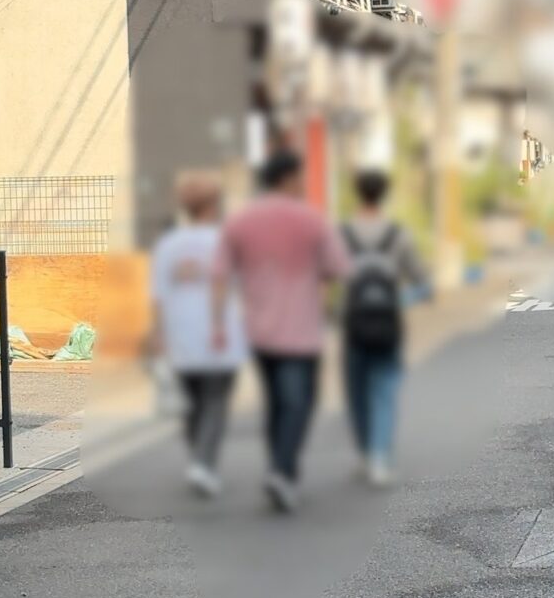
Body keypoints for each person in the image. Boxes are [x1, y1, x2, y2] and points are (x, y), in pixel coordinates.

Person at [213, 147, 349, 512]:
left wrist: (217, 325)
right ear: (288, 179)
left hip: (257, 329)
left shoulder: (240, 222)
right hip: (300, 329)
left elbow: (220, 275)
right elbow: (338, 267)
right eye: (299, 177)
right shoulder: (310, 220)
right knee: (299, 402)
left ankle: (279, 468)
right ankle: (281, 470)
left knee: (276, 401)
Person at [150, 172, 246, 496]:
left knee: (193, 402)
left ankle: (198, 460)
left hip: (181, 336)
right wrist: (220, 325)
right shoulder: (225, 242)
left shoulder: (168, 245)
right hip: (218, 334)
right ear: (214, 206)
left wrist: (159, 335)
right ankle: (202, 464)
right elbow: (229, 287)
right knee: (215, 401)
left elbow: (158, 295)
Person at [340, 168, 428, 486]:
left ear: (357, 193)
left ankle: (365, 454)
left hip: (353, 321)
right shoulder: (398, 234)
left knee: (357, 391)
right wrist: (410, 295)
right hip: (388, 322)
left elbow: (328, 274)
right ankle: (380, 458)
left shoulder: (342, 233)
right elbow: (420, 277)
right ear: (384, 194)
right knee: (385, 391)